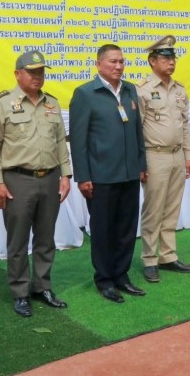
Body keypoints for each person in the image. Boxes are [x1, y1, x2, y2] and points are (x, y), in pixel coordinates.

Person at [0, 51, 72, 317]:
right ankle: (20, 292)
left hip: (50, 178)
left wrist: (66, 175)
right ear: (17, 74)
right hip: (17, 179)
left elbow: (60, 141)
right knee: (18, 240)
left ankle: (42, 287)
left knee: (46, 238)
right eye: (32, 72)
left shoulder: (52, 103)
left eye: (41, 72)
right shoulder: (2, 103)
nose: (38, 77)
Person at [69, 44, 147, 303]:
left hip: (129, 174)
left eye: (122, 61)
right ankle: (104, 279)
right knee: (103, 231)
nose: (119, 66)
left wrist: (141, 164)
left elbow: (137, 131)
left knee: (127, 228)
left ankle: (121, 275)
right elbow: (78, 141)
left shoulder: (130, 90)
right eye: (113, 61)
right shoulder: (85, 94)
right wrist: (83, 177)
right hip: (100, 177)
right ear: (98, 64)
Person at [136, 36, 190, 283]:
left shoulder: (180, 90)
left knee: (172, 208)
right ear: (152, 61)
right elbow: (136, 130)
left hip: (176, 155)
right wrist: (140, 163)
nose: (171, 62)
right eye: (165, 58)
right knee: (154, 209)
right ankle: (150, 259)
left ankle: (168, 256)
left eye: (173, 58)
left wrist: (188, 156)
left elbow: (185, 125)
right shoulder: (142, 90)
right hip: (155, 156)